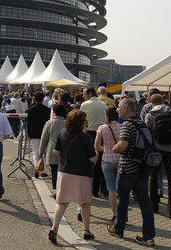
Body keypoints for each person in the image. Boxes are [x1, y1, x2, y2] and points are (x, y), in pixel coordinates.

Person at [106, 96, 156, 246]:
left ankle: (118, 228)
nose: (117, 110)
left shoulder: (127, 125)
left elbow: (123, 145)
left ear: (126, 109)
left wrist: (114, 148)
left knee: (122, 200)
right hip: (142, 168)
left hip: (127, 168)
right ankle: (149, 235)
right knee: (145, 202)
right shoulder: (142, 124)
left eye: (119, 107)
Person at [48, 109, 98, 243]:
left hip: (65, 171)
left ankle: (54, 228)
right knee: (85, 202)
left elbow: (56, 151)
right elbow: (92, 158)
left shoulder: (62, 133)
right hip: (83, 173)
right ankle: (86, 230)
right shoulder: (86, 138)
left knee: (62, 202)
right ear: (82, 123)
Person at [144, 93, 171, 219]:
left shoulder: (150, 115)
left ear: (151, 102)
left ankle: (154, 207)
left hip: (156, 149)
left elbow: (147, 132)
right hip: (170, 149)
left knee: (153, 177)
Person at [94, 105, 121, 222]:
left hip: (107, 159)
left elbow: (96, 146)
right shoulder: (122, 127)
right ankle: (122, 212)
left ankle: (115, 213)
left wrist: (106, 149)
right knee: (121, 188)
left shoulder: (102, 128)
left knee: (111, 188)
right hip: (120, 160)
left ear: (106, 116)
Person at [81, 86, 108, 197]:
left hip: (89, 133)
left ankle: (93, 187)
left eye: (84, 94)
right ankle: (103, 187)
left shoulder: (84, 105)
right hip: (102, 133)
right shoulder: (103, 105)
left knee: (89, 160)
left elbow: (82, 120)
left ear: (90, 94)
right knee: (102, 159)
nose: (83, 96)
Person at [40, 103, 68, 192]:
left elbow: (44, 138)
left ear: (54, 112)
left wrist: (41, 152)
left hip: (52, 148)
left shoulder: (49, 123)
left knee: (54, 171)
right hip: (65, 149)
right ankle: (63, 189)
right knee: (63, 171)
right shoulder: (67, 123)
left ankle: (56, 190)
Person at [27, 91, 51, 178]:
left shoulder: (31, 109)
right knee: (43, 152)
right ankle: (43, 170)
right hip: (44, 132)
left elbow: (29, 122)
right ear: (43, 99)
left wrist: (28, 132)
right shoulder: (47, 110)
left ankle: (36, 169)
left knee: (35, 152)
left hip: (33, 132)